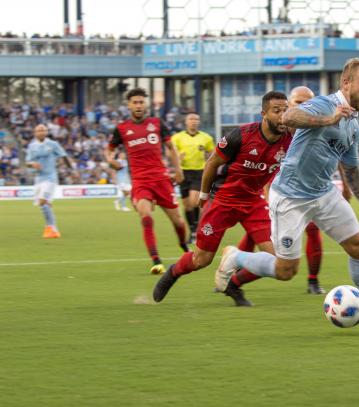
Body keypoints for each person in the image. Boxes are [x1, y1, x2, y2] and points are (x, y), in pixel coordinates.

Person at [217, 58, 359, 321]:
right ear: (346, 82)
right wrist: (328, 119)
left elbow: (351, 172)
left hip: (323, 192)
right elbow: (290, 116)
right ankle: (236, 256)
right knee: (286, 271)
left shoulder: (352, 125)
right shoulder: (325, 104)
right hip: (290, 197)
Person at [152, 91, 292, 305]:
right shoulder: (242, 135)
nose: (283, 115)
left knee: (279, 264)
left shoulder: (291, 141)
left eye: (286, 110)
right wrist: (204, 194)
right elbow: (212, 163)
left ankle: (234, 284)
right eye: (277, 111)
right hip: (223, 200)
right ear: (264, 113)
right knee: (202, 260)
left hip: (254, 203)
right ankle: (173, 272)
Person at [230, 85, 352, 295]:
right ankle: (234, 272)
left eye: (308, 102)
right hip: (278, 193)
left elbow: (337, 155)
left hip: (309, 191)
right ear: (289, 105)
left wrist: (345, 185)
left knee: (312, 232)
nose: (305, 106)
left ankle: (313, 281)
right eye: (298, 102)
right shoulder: (280, 130)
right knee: (260, 236)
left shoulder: (318, 128)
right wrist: (266, 195)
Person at [104, 88, 188, 275]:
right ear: (129, 105)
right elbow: (108, 150)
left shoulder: (157, 123)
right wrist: (110, 160)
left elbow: (171, 148)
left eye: (141, 102)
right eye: (135, 102)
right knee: (145, 215)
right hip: (140, 181)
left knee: (179, 223)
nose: (138, 105)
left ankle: (183, 245)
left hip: (161, 179)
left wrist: (178, 169)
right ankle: (156, 260)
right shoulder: (122, 129)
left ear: (146, 104)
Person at [171, 113, 215, 242]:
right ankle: (192, 229)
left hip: (199, 172)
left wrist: (210, 163)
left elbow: (212, 154)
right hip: (183, 172)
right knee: (187, 206)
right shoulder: (177, 138)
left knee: (194, 200)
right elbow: (171, 153)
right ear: (186, 122)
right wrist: (178, 159)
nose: (194, 121)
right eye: (191, 119)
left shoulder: (206, 138)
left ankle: (195, 228)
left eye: (196, 119)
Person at [25, 124, 73, 238]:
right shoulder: (32, 146)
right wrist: (32, 164)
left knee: (43, 201)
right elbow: (27, 162)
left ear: (46, 132)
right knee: (44, 205)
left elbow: (64, 155)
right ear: (35, 133)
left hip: (50, 178)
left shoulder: (53, 144)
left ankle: (50, 228)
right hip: (38, 179)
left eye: (43, 130)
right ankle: (53, 228)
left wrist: (70, 167)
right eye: (39, 130)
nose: (41, 132)